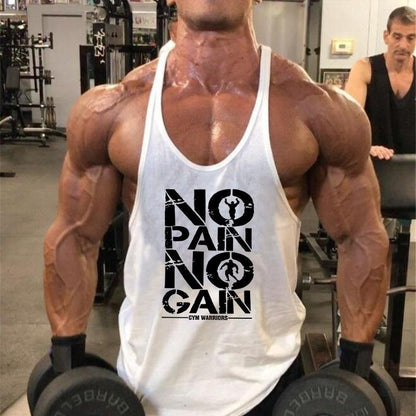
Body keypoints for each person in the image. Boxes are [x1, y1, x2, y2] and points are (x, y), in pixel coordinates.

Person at [43, 1, 390, 415]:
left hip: (269, 386)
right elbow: (76, 237)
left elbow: (360, 238)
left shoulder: (316, 108)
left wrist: (354, 367)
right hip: (144, 387)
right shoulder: (113, 109)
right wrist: (67, 361)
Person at [345, 6, 415, 160]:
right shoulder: (364, 68)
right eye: (397, 37)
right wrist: (366, 147)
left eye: (410, 38)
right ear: (386, 36)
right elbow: (350, 122)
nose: (403, 45)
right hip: (372, 161)